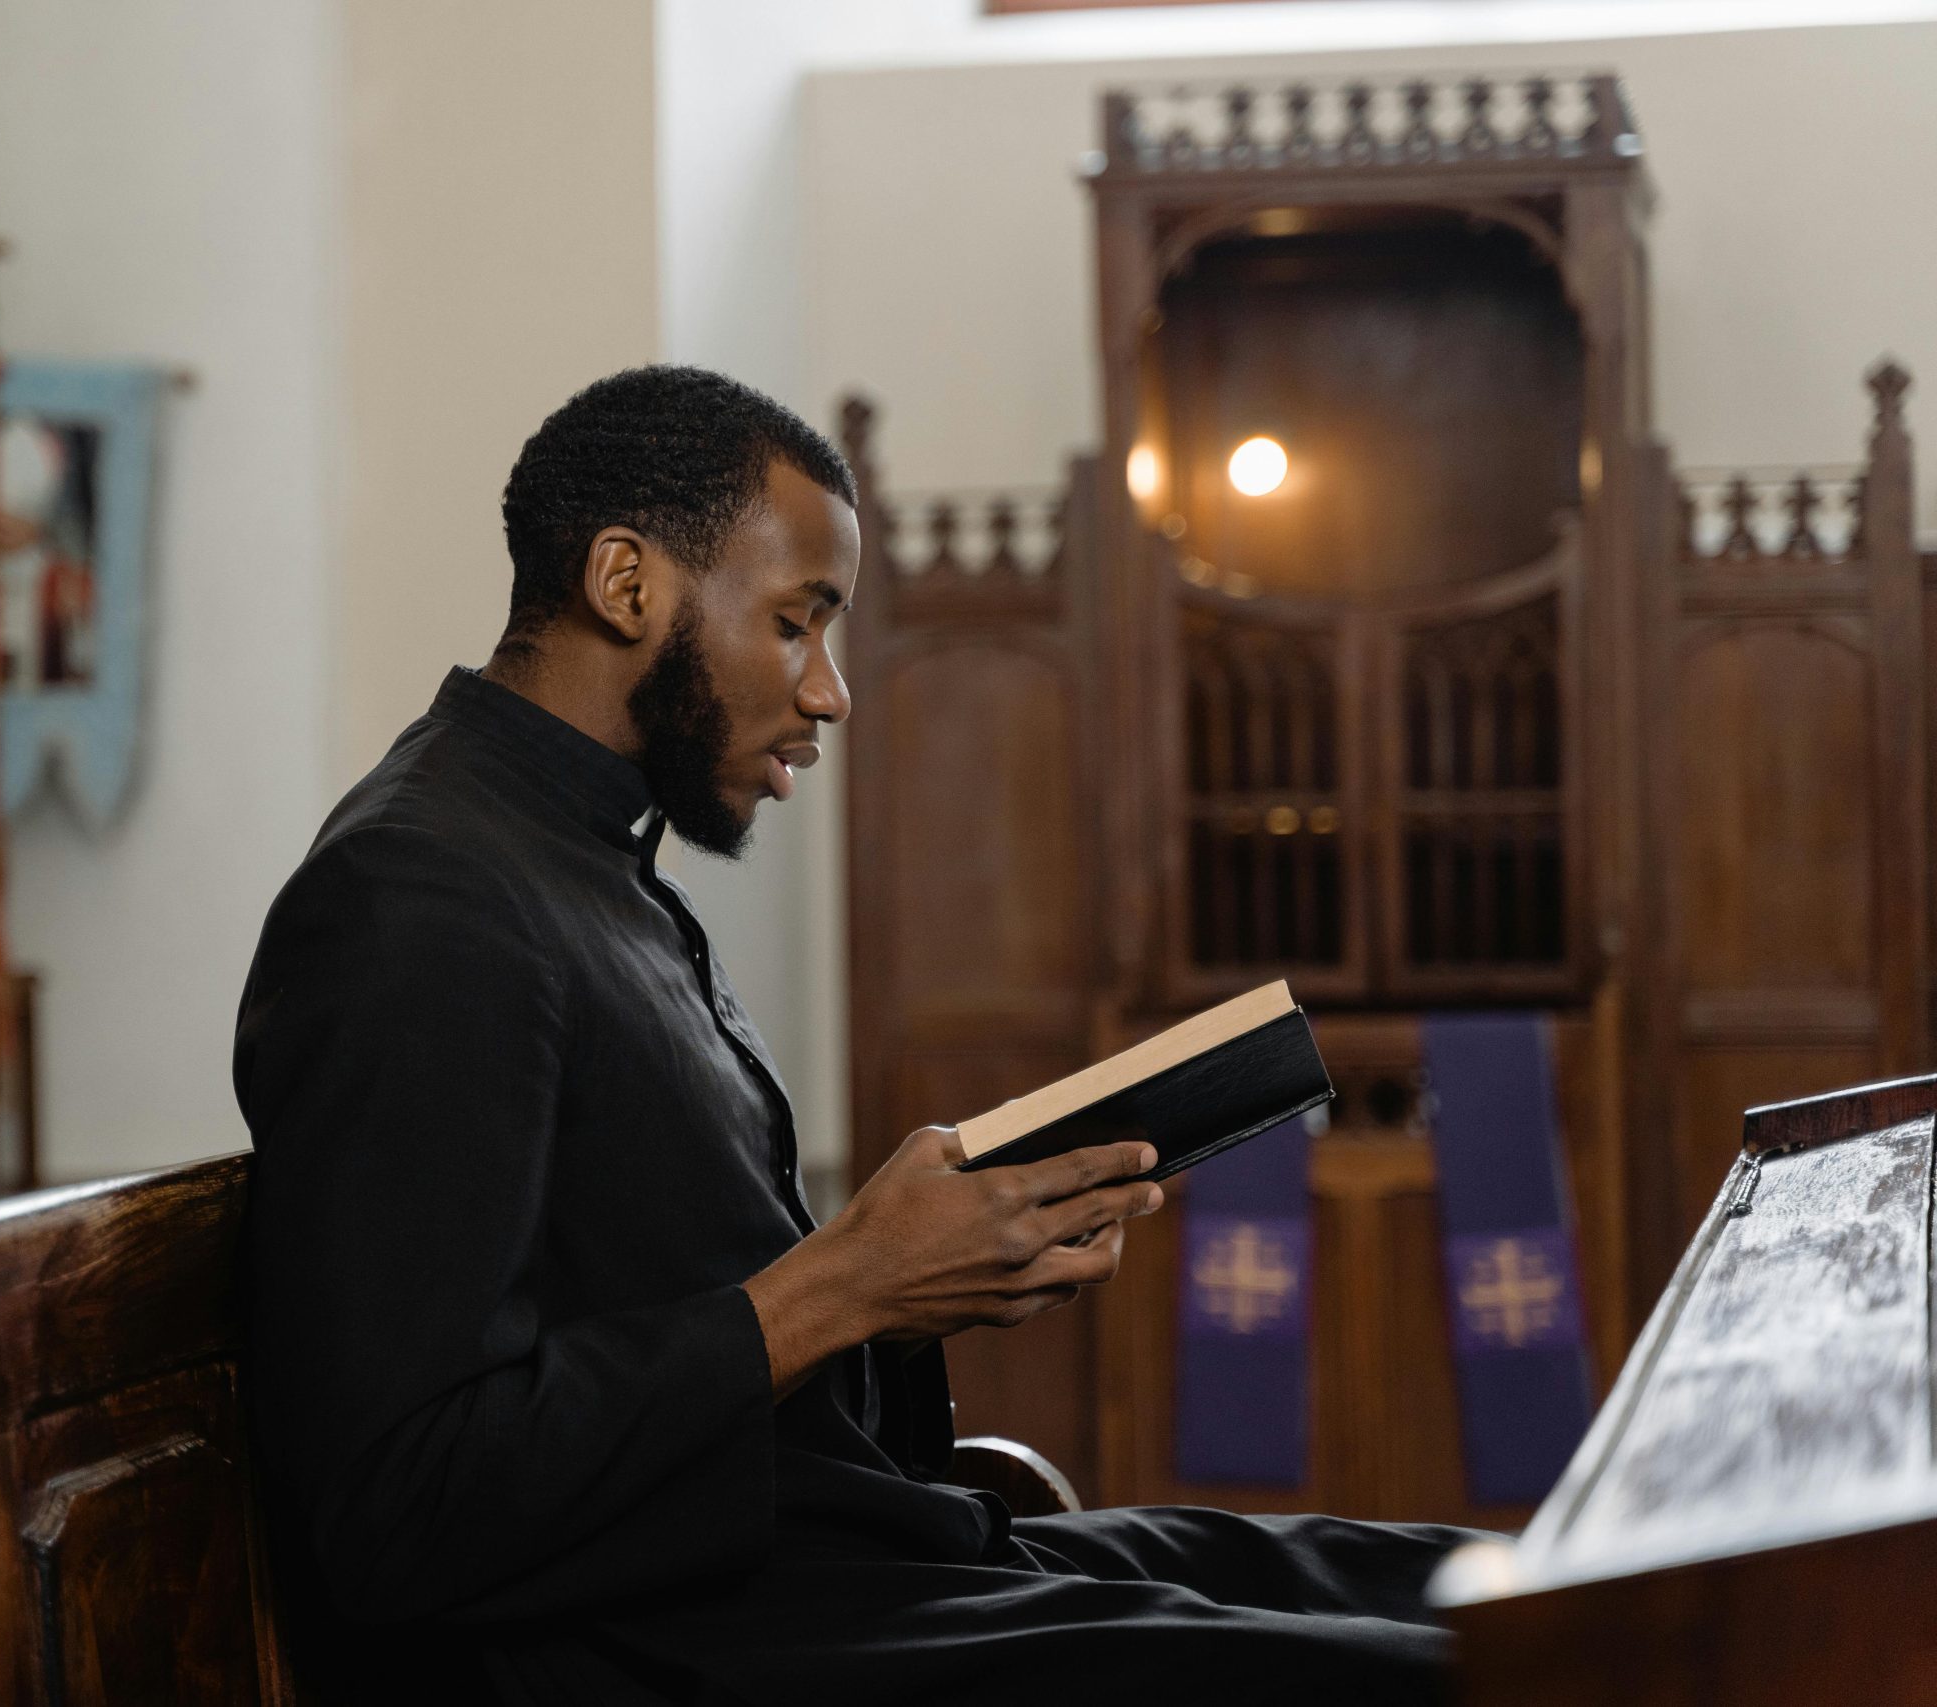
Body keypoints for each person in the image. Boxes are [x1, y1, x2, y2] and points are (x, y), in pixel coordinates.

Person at [237, 366, 1476, 1705]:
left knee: (1491, 1591)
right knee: (1456, 1679)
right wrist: (850, 1286)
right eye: (796, 622)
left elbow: (665, 1310)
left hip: (839, 1569)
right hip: (673, 1644)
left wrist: (944, 1271)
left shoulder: (583, 862)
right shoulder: (417, 894)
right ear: (627, 582)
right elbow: (399, 1509)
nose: (830, 693)